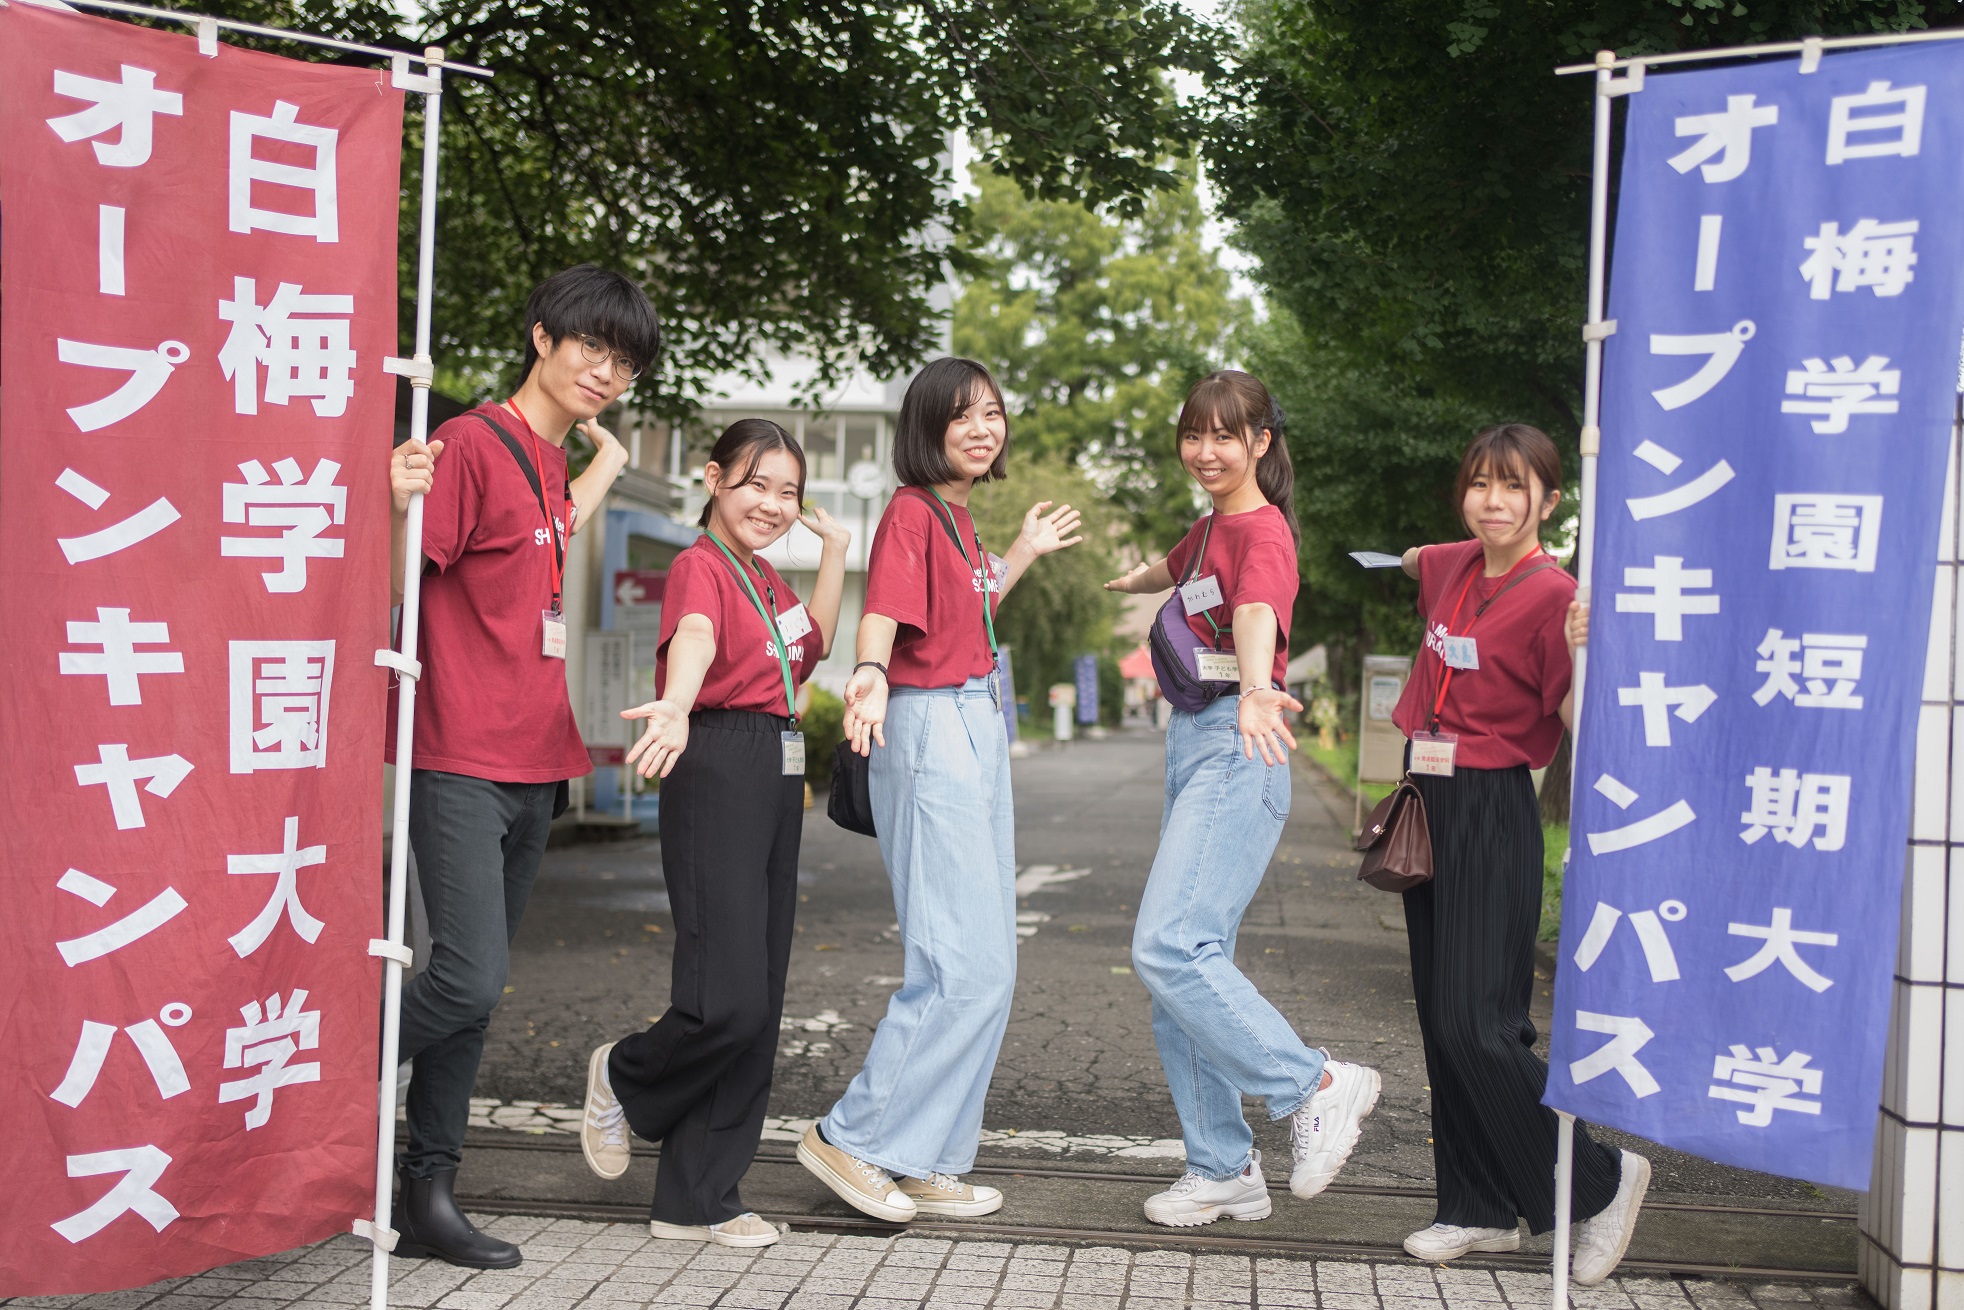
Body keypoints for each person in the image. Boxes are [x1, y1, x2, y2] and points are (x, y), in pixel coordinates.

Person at [384, 264, 660, 1268]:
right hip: (458, 750)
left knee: (476, 991)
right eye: (592, 345)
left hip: (535, 758)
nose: (606, 370)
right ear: (540, 336)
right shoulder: (467, 444)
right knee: (465, 977)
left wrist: (607, 464)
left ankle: (429, 1190)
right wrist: (385, 505)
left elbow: (554, 529)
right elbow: (396, 585)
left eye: (623, 361)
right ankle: (316, 1079)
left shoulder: (545, 464)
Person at [796, 356, 1082, 1222]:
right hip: (926, 724)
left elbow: (976, 605)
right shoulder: (912, 513)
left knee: (990, 963)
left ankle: (925, 1154)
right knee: (956, 960)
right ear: (927, 427)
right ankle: (853, 1137)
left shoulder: (957, 521)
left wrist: (1024, 549)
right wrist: (870, 672)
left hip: (974, 722)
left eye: (993, 414)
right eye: (963, 416)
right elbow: (882, 610)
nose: (983, 428)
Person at [1104, 370, 1382, 1227]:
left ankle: (1317, 1083)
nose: (1206, 451)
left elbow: (1256, 607)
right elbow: (1178, 567)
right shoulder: (1208, 529)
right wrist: (1129, 581)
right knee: (1184, 975)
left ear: (1263, 441)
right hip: (1196, 747)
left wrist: (1259, 685)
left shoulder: (1263, 532)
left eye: (1227, 435)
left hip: (1239, 743)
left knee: (1168, 945)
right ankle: (1223, 1167)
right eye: (1194, 435)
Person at [573, 419, 849, 1247]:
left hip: (775, 760)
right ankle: (622, 1076)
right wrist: (680, 703)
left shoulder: (766, 579)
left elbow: (813, 648)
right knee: (724, 994)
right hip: (718, 755)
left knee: (759, 997)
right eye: (755, 484)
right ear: (713, 479)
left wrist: (833, 547)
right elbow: (693, 637)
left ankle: (698, 1197)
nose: (771, 504)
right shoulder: (702, 566)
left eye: (788, 491)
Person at [1390, 422, 1648, 1283]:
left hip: (1495, 806)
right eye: (1479, 484)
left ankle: (1604, 1181)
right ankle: (1477, 1204)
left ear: (1550, 499)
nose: (1493, 503)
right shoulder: (1451, 563)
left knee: (1481, 1023)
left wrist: (1588, 651)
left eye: (1513, 488)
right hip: (1426, 796)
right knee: (1439, 1021)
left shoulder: (1557, 596)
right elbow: (1408, 558)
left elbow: (1577, 729)